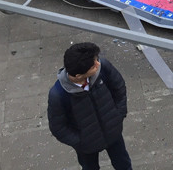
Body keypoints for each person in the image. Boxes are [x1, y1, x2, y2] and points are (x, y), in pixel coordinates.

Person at [47, 42, 132, 170]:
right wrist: (80, 141)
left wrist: (118, 115)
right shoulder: (58, 95)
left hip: (113, 131)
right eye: (94, 65)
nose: (98, 64)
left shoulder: (103, 68)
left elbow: (119, 88)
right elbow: (58, 127)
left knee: (123, 163)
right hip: (87, 146)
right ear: (79, 76)